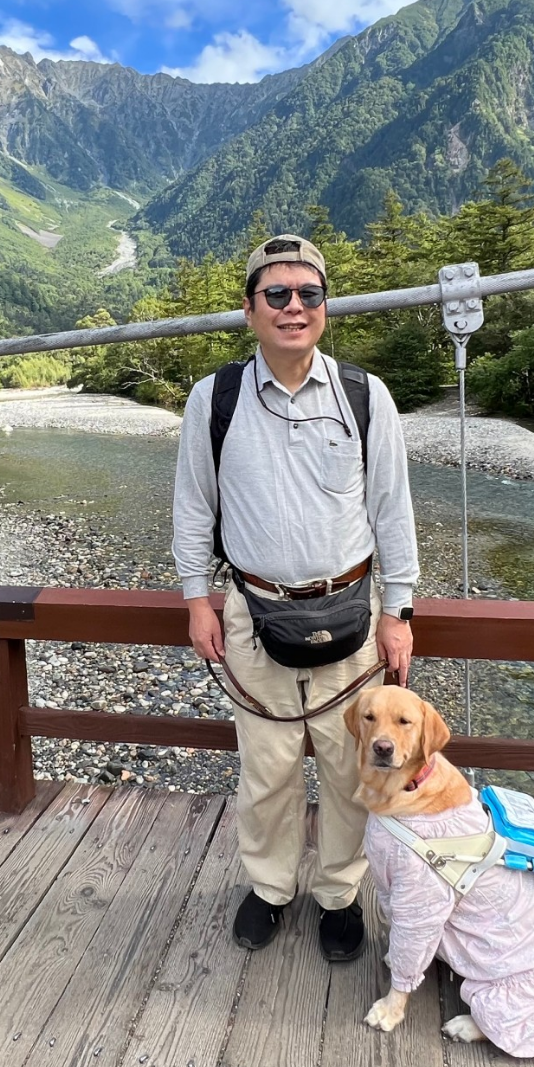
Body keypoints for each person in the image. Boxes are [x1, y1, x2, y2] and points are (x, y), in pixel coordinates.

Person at [172, 234, 419, 963]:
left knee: (352, 772)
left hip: (352, 609)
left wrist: (398, 611)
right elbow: (193, 505)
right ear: (249, 309)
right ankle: (272, 887)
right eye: (275, 294)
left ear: (325, 308)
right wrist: (197, 597)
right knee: (268, 768)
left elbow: (393, 510)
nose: (293, 307)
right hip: (253, 613)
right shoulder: (214, 398)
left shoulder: (365, 397)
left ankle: (340, 894)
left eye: (308, 294)